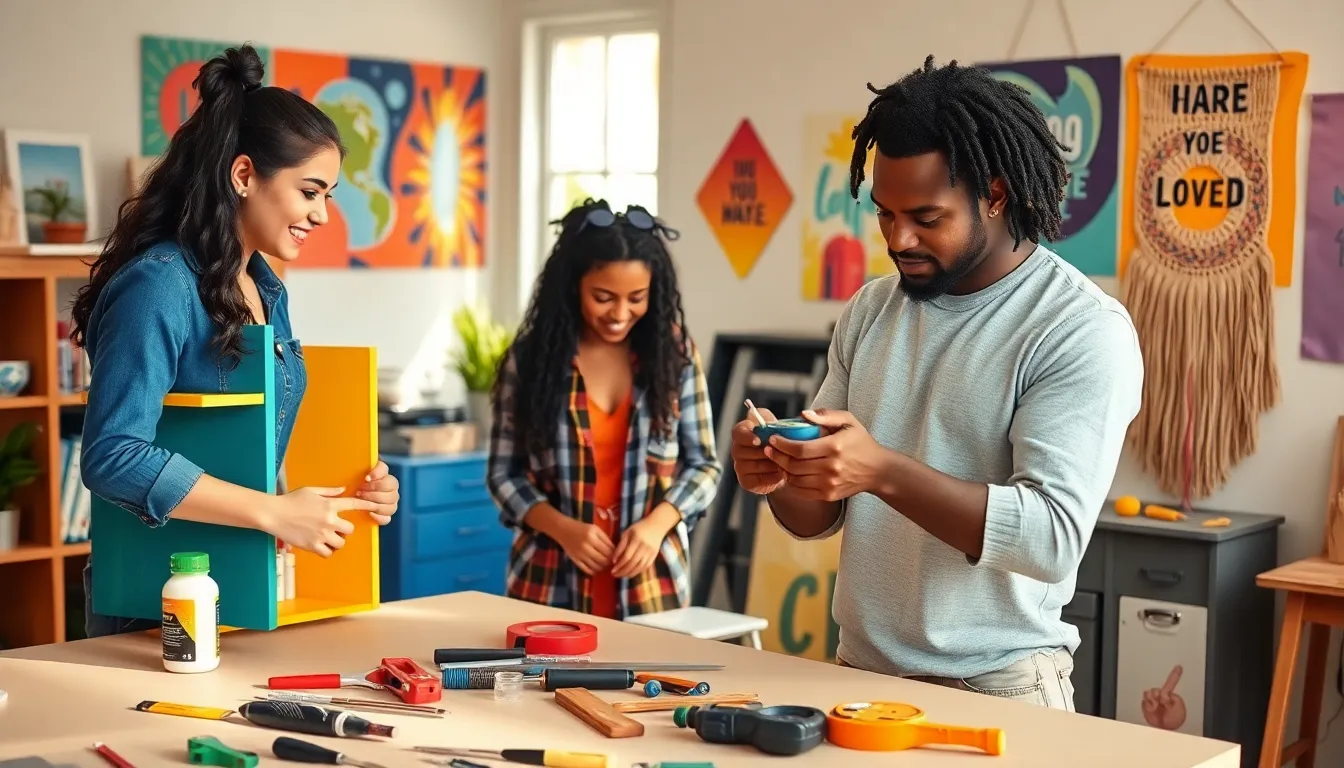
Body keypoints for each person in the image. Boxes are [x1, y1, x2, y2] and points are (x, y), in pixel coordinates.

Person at [730, 56, 1143, 710]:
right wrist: (780, 473)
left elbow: (1052, 539)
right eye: (885, 214)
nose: (899, 238)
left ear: (997, 194)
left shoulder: (1078, 329)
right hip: (859, 681)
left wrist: (881, 471)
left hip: (999, 690)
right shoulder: (871, 308)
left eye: (926, 216)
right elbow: (818, 518)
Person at [69, 45, 400, 638]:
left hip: (242, 584)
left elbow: (255, 443)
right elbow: (112, 455)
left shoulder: (264, 287)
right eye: (311, 191)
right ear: (244, 175)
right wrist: (275, 513)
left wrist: (354, 493)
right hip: (156, 595)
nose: (323, 215)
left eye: (328, 196)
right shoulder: (157, 285)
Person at [487, 198, 721, 619]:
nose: (619, 313)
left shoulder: (676, 355)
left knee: (650, 684)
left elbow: (704, 465)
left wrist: (656, 526)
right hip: (547, 582)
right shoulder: (532, 361)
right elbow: (504, 474)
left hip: (652, 584)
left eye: (637, 297)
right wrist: (564, 529)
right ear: (573, 285)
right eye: (603, 297)